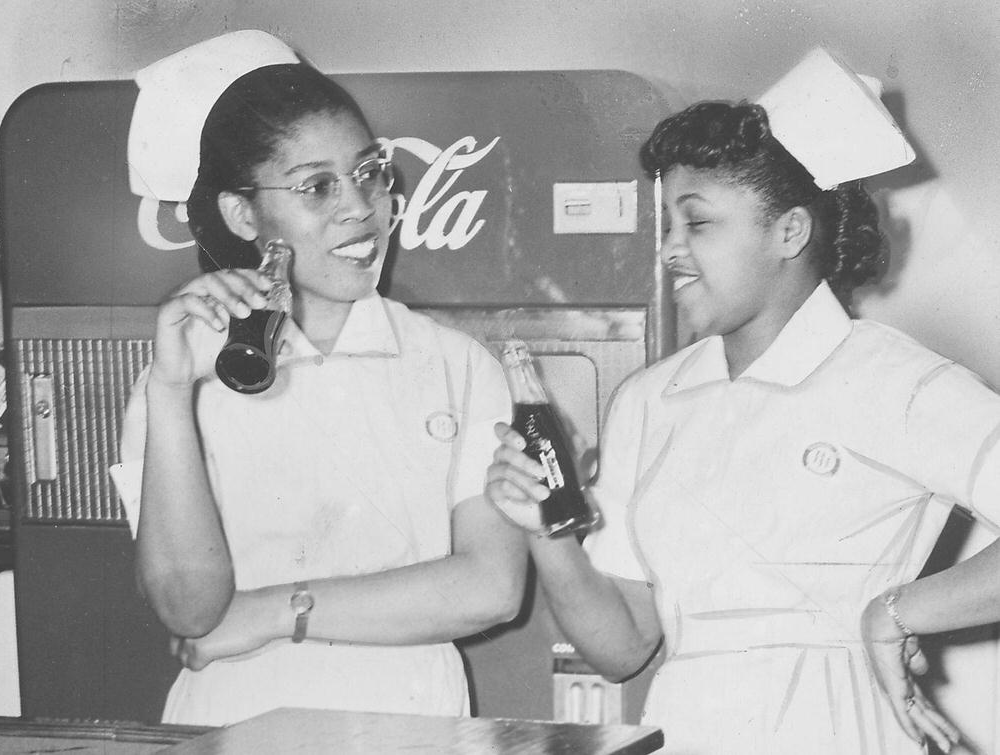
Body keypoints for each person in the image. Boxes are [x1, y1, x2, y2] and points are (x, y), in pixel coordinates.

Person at [485, 48, 1000, 754]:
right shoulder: (649, 400)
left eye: (696, 223)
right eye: (665, 223)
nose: (668, 249)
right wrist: (547, 527)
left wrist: (894, 611)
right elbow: (624, 644)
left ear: (789, 231)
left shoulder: (891, 379)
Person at [111, 30, 526, 727]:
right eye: (316, 187)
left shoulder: (456, 366)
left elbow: (490, 586)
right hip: (235, 726)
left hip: (414, 727)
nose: (359, 207)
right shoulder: (183, 379)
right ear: (244, 213)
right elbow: (188, 608)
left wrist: (274, 611)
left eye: (370, 173)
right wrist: (170, 391)